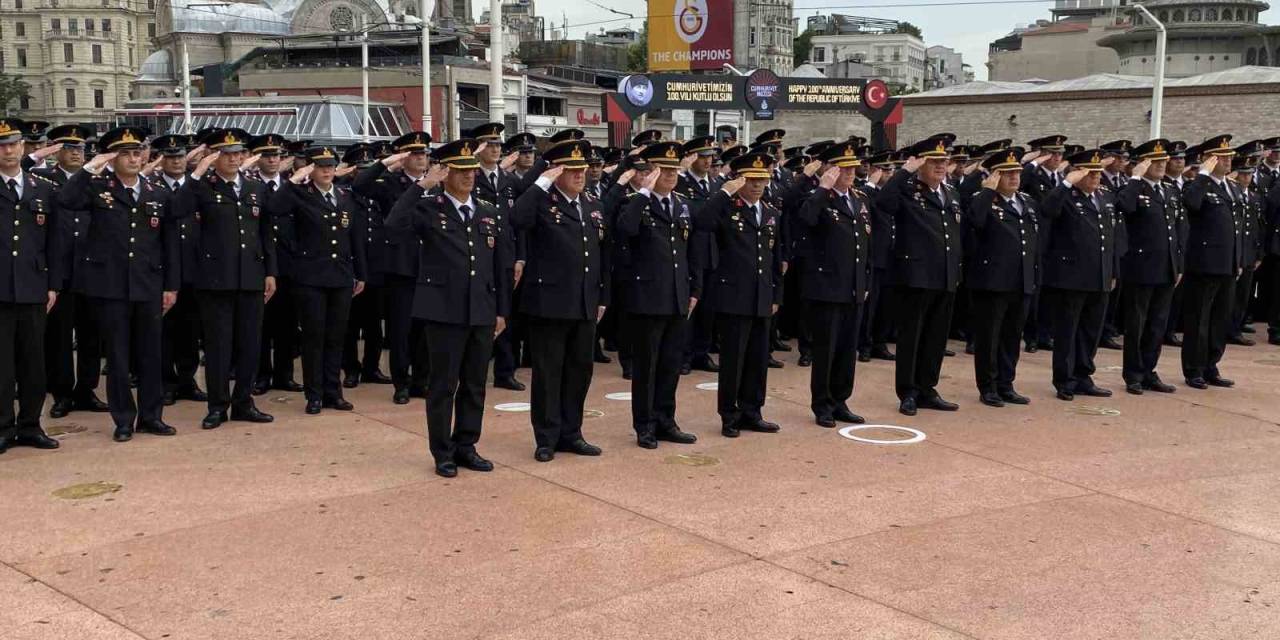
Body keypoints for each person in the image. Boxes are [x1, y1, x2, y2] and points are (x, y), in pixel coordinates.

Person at [388, 139, 513, 476]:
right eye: (460, 171)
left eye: (471, 170)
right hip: (443, 311)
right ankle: (442, 451)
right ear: (445, 174)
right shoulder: (429, 208)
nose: (469, 176)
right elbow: (393, 225)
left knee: (475, 384)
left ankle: (466, 445)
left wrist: (501, 311)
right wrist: (422, 185)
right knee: (443, 386)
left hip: (481, 310)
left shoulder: (487, 211)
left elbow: (500, 267)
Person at [57, 127, 180, 442]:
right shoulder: (98, 188)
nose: (133, 158)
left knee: (151, 354)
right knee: (118, 356)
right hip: (110, 287)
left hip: (148, 285)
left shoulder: (157, 192)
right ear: (112, 158)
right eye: (125, 153)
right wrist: (91, 166)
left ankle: (151, 416)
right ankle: (124, 419)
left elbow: (169, 244)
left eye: (137, 152)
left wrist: (171, 286)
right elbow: (66, 199)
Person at [511, 139, 609, 462]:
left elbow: (601, 253)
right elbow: (517, 218)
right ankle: (546, 437)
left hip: (584, 302)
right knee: (548, 372)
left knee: (580, 371)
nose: (580, 174)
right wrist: (542, 181)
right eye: (571, 169)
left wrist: (603, 295)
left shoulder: (592, 203)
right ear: (556, 171)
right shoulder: (541, 200)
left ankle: (572, 432)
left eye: (582, 169)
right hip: (549, 303)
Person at [182, 128, 278, 428]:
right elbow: (176, 208)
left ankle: (244, 402)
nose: (235, 159)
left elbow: (266, 233)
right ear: (215, 157)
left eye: (238, 154)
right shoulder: (202, 187)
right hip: (215, 279)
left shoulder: (254, 187)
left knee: (250, 345)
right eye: (227, 154)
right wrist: (196, 173)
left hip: (251, 276)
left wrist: (271, 271)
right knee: (218, 346)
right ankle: (217, 405)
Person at [692, 152, 784, 438]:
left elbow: (776, 256)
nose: (757, 185)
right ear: (740, 181)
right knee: (733, 360)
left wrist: (776, 294)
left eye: (762, 180)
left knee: (757, 359)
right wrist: (723, 193)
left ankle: (752, 411)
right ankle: (729, 415)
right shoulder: (727, 209)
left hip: (761, 295)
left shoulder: (770, 212)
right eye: (751, 180)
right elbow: (701, 221)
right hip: (733, 295)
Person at [270, 146, 367, 414]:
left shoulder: (345, 196)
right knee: (314, 337)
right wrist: (292, 180)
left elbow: (354, 237)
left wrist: (361, 272)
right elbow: (273, 208)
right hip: (311, 277)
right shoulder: (300, 195)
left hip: (341, 275)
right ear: (311, 168)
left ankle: (332, 392)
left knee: (336, 336)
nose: (326, 170)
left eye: (330, 166)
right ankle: (314, 395)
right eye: (320, 165)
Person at [615, 141, 700, 449]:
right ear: (650, 173)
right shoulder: (634, 202)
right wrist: (643, 193)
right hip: (647, 297)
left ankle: (666, 420)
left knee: (670, 364)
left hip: (677, 296)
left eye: (674, 170)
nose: (670, 176)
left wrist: (694, 288)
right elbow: (625, 230)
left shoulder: (682, 204)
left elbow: (691, 250)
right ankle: (645, 425)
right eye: (664, 170)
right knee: (647, 366)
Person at [874, 135, 963, 416]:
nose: (940, 166)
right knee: (912, 337)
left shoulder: (950, 193)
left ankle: (927, 388)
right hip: (915, 275)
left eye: (944, 161)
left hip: (945, 275)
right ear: (921, 163)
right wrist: (905, 170)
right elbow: (883, 203)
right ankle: (908, 391)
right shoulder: (907, 190)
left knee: (936, 337)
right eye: (934, 161)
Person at [34, 124, 109, 418]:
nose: (76, 153)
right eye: (68, 148)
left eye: (80, 148)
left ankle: (86, 390)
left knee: (92, 335)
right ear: (56, 152)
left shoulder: (97, 180)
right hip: (60, 271)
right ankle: (62, 393)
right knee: (60, 338)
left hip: (91, 270)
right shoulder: (42, 179)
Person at [352, 131, 432, 403]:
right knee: (400, 329)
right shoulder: (390, 183)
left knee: (425, 329)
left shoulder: (436, 183)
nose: (421, 158)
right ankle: (401, 383)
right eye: (415, 154)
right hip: (400, 265)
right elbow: (359, 185)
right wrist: (387, 162)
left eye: (424, 154)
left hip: (430, 265)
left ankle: (422, 380)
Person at [796, 143, 872, 426]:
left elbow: (866, 242)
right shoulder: (819, 198)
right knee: (826, 350)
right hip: (827, 286)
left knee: (846, 349)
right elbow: (805, 219)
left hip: (854, 286)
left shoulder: (860, 199)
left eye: (853, 167)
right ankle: (822, 405)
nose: (850, 172)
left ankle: (841, 400)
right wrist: (821, 189)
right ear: (830, 170)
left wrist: (866, 279)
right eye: (843, 167)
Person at [0, 118, 63, 454]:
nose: (8, 151)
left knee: (33, 362)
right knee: (2, 365)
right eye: (2, 146)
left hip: (33, 286)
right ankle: (3, 428)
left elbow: (55, 242)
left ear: (23, 147)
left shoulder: (42, 189)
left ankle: (30, 425)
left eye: (13, 144)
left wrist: (53, 284)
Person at [1040, 149, 1120, 401]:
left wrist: (1113, 270)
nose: (1095, 177)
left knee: (1090, 330)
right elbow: (1048, 210)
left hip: (1099, 274)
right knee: (1068, 330)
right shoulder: (1065, 196)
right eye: (1089, 172)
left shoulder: (1105, 197)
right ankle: (1064, 379)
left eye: (1097, 172)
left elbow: (1113, 237)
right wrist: (1066, 182)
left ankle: (1083, 375)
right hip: (1071, 275)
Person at [965, 147, 1038, 407]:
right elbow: (975, 221)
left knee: (1011, 335)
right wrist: (987, 190)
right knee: (989, 337)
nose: (1014, 177)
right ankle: (988, 386)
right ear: (995, 176)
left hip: (1021, 280)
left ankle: (1006, 383)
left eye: (1017, 172)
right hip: (993, 282)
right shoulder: (983, 200)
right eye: (1007, 173)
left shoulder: (1027, 202)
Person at [1115, 139, 1183, 395]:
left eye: (1163, 161)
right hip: (1141, 267)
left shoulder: (1169, 190)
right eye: (1155, 161)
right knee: (1137, 323)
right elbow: (1125, 207)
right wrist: (1134, 179)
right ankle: (1133, 373)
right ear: (1143, 164)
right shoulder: (1133, 188)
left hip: (1166, 267)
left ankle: (1149, 370)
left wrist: (1179, 264)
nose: (1161, 165)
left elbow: (1178, 229)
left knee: (1157, 323)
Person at [148, 134, 207, 406]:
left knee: (191, 330)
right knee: (164, 332)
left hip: (194, 270)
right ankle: (166, 382)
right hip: (161, 272)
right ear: (161, 160)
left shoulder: (200, 187)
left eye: (181, 156)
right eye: (170, 157)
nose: (176, 161)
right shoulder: (152, 188)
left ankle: (187, 379)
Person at [1181, 136, 1242, 389]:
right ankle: (1194, 369)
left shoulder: (1232, 187)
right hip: (1204, 264)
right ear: (1210, 159)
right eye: (1222, 157)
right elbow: (1191, 203)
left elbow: (1237, 228)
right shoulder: (1199, 185)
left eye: (1229, 157)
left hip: (1227, 264)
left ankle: (1211, 365)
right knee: (1199, 318)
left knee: (1220, 318)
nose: (1228, 160)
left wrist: (1238, 260)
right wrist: (1203, 175)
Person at [247, 134, 304, 396]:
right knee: (261, 324)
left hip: (290, 263)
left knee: (287, 324)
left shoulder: (295, 187)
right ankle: (261, 374)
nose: (273, 159)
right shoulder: (251, 185)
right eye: (267, 155)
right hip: (260, 263)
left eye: (277, 155)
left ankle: (284, 374)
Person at [470, 122, 525, 392]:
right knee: (479, 311)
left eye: (497, 145)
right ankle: (473, 370)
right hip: (478, 254)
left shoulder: (509, 181)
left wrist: (521, 257)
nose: (494, 149)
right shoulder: (469, 176)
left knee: (507, 312)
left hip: (505, 254)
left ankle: (506, 371)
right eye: (488, 144)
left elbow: (520, 222)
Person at [675, 135, 722, 375]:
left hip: (712, 252)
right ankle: (684, 355)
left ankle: (701, 353)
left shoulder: (715, 185)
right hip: (689, 252)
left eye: (710, 156)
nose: (707, 160)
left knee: (708, 308)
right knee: (689, 306)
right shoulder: (681, 185)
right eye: (702, 156)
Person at [1228, 144, 1265, 346]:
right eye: (1243, 174)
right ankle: (1228, 328)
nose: (1246, 178)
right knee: (1230, 295)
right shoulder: (1231, 195)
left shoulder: (1253, 196)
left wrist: (1258, 253)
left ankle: (1236, 327)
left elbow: (1257, 227)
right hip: (1234, 252)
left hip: (1249, 252)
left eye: (1249, 174)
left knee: (1243, 294)